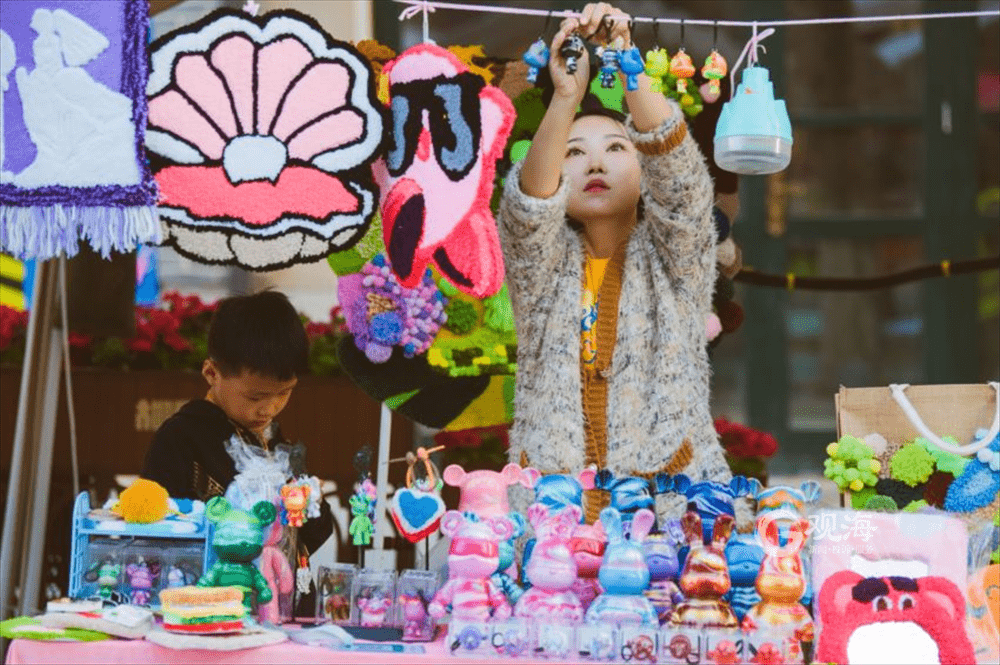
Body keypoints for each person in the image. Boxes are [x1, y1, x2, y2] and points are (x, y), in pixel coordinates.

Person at [499, 3, 731, 523]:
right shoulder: (542, 268)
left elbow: (682, 181)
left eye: (616, 148)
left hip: (668, 507)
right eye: (574, 152)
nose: (596, 163)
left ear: (645, 168)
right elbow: (528, 208)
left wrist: (627, 60)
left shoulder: (677, 257)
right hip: (555, 516)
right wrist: (565, 96)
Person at [141, 290, 333, 554]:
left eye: (284, 393)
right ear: (212, 373)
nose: (270, 408)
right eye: (255, 397)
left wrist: (311, 501)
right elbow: (158, 534)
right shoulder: (179, 439)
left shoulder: (271, 437)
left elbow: (306, 537)